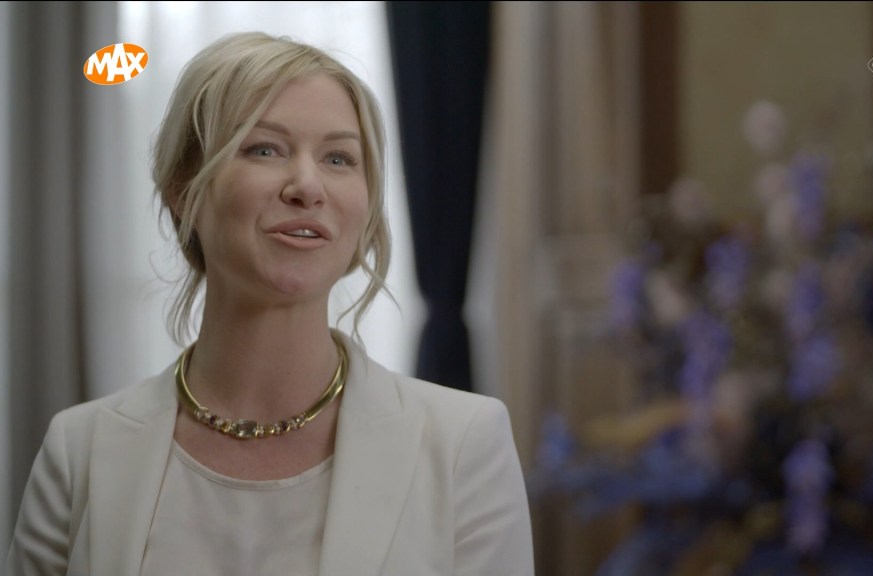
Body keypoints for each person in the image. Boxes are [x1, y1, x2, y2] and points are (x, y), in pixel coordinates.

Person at [5, 31, 534, 575]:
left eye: (338, 158)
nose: (307, 186)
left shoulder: (464, 444)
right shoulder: (81, 450)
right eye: (265, 149)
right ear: (183, 191)